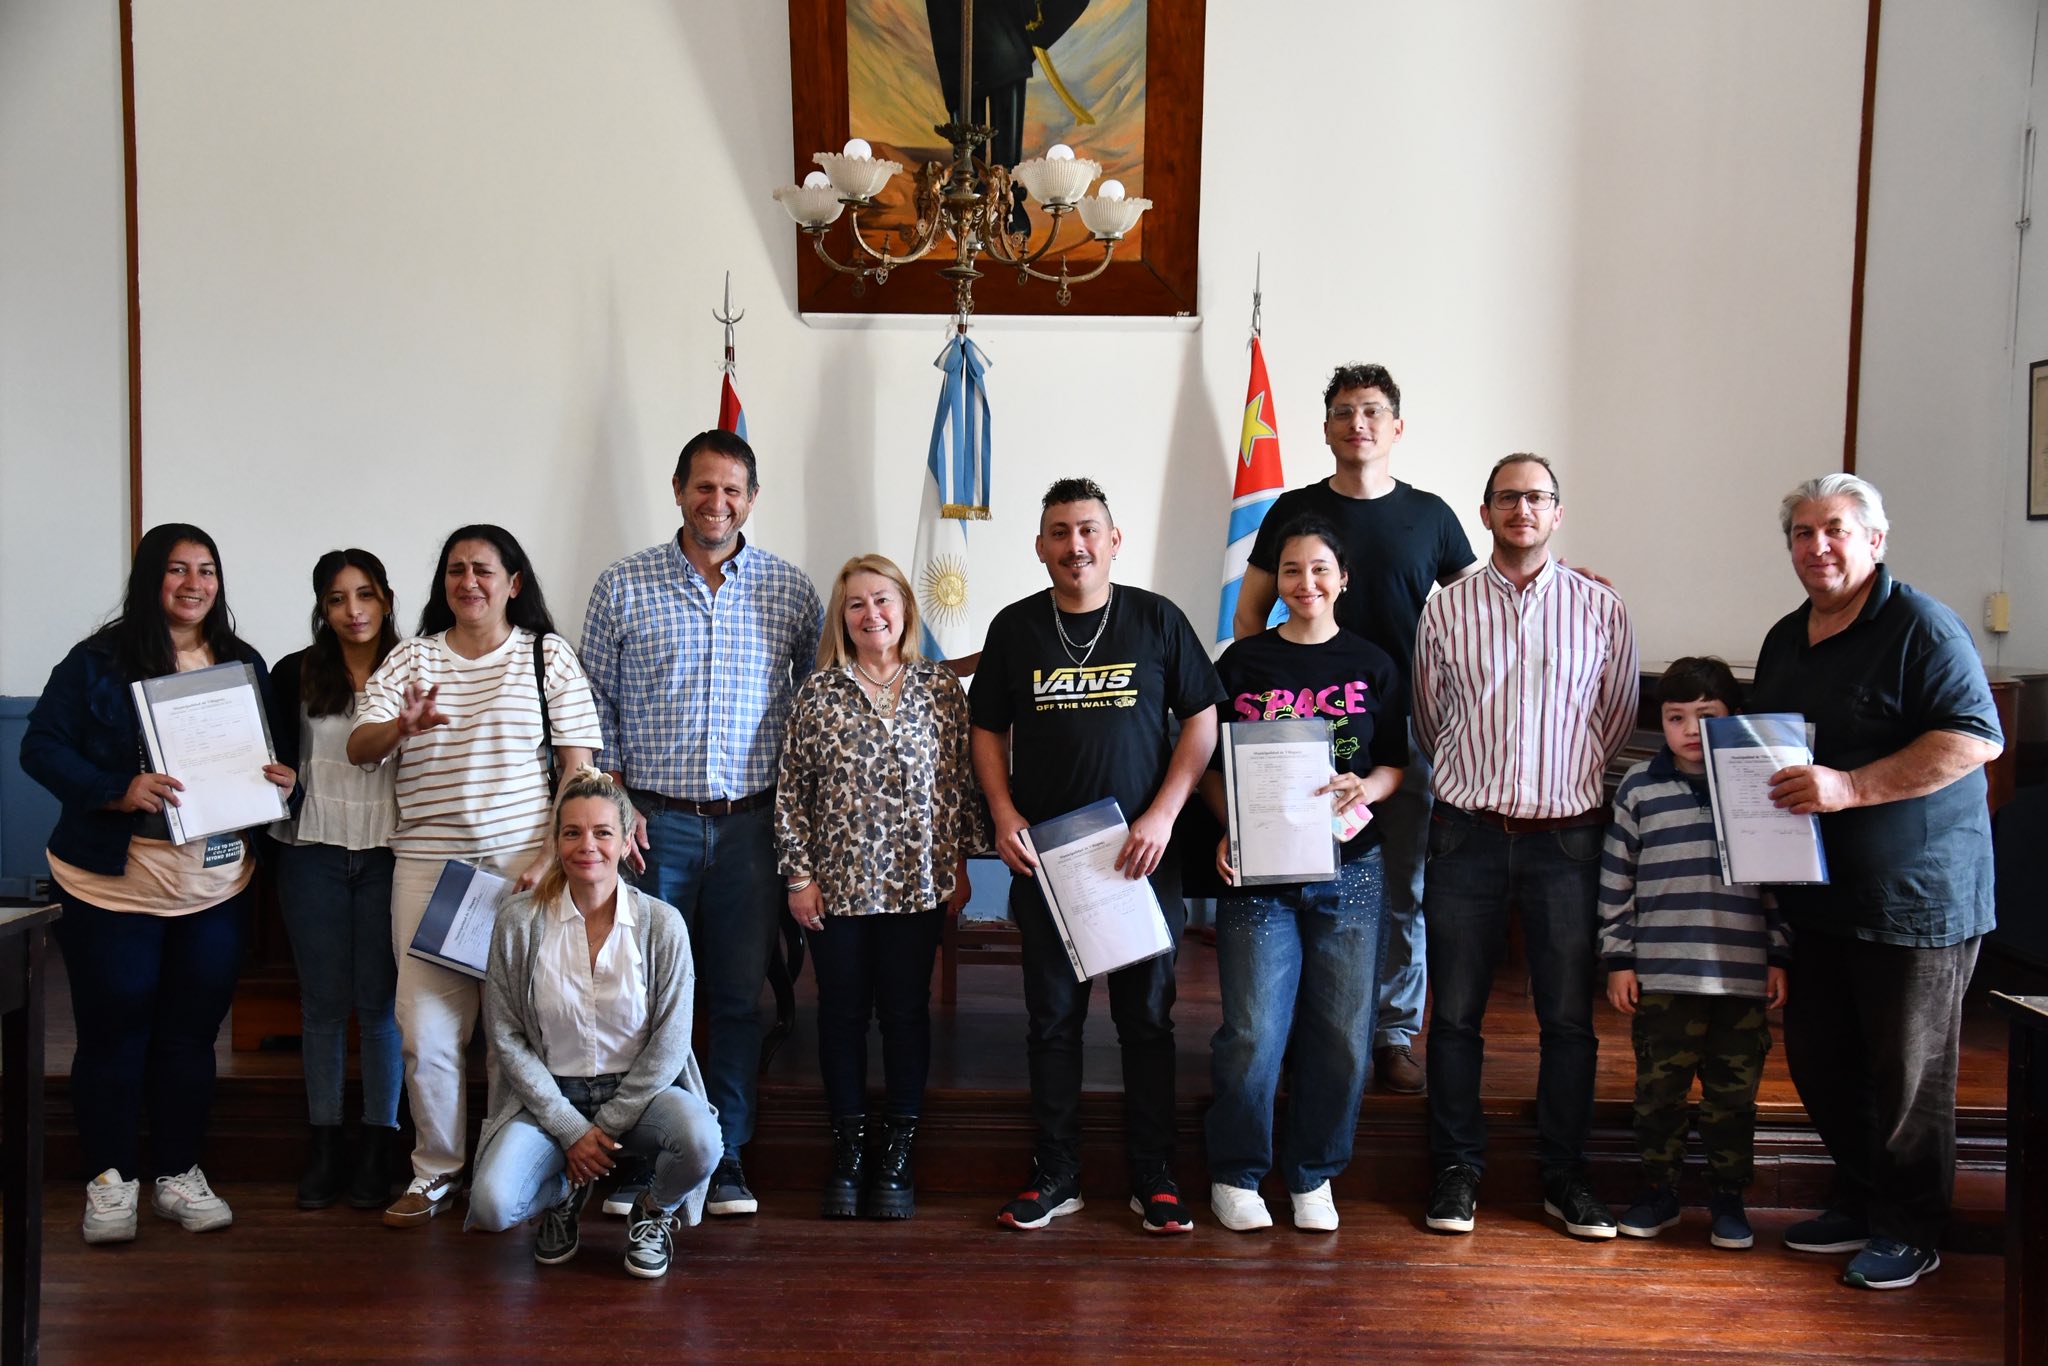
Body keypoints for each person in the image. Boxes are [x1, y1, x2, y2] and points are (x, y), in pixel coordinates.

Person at [1751, 474, 2002, 1291]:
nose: (1817, 546)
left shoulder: (1922, 627)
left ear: (1875, 540)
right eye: (1802, 533)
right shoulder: (1786, 638)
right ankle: (1860, 1201)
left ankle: (1911, 1228)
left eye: (1836, 530)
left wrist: (1852, 788)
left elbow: (1974, 738)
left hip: (1917, 898)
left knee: (1908, 1077)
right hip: (1819, 896)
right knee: (1824, 1063)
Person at [20, 523, 294, 1244]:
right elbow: (39, 746)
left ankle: (177, 1173)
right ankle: (110, 1182)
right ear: (150, 579)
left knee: (190, 1038)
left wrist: (280, 777)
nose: (193, 584)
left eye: (206, 570)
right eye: (177, 569)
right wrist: (116, 789)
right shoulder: (96, 661)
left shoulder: (241, 661)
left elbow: (269, 754)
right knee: (113, 1036)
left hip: (214, 888)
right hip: (111, 888)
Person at [579, 429, 822, 1219]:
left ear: (751, 499)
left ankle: (725, 1154)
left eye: (732, 490)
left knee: (737, 998)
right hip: (654, 828)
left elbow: (815, 707)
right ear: (679, 489)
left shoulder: (789, 590)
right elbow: (592, 703)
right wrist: (616, 804)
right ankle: (641, 1151)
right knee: (642, 998)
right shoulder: (624, 584)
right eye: (704, 487)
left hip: (752, 829)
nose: (717, 502)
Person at [971, 477, 1225, 1234]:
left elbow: (1202, 719)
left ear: (1114, 540)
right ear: (1040, 546)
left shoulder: (1156, 619)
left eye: (1088, 530)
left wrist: (1164, 814)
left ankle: (1155, 1175)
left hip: (1142, 856)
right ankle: (1056, 1173)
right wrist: (1003, 812)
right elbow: (986, 730)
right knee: (1052, 1020)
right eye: (1059, 532)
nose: (1074, 545)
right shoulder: (1016, 627)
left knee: (1147, 1019)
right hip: (1049, 861)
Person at [348, 524, 601, 1227]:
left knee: (516, 1031)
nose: (469, 582)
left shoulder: (546, 655)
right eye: (456, 570)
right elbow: (361, 747)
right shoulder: (411, 658)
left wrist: (550, 857)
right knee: (425, 1030)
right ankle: (434, 1171)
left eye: (483, 570)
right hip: (429, 869)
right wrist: (402, 727)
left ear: (513, 583)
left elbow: (578, 768)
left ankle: (505, 1166)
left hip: (522, 868)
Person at [1233, 363, 1476, 1096]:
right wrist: (1272, 707)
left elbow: (1480, 611)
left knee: (1400, 885)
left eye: (1371, 411)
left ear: (1396, 426)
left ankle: (1392, 1032)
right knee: (1297, 882)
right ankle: (1308, 1027)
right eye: (1343, 412)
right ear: (1326, 428)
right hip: (1299, 734)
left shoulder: (1431, 515)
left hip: (1399, 736)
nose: (1357, 423)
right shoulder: (1294, 510)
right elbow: (1250, 616)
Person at [1412, 453, 1638, 1241]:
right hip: (1465, 835)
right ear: (1485, 513)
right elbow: (1431, 721)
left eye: (1537, 497)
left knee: (1567, 1020)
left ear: (1557, 513)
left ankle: (1565, 1174)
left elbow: (1614, 719)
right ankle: (1455, 1169)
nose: (1523, 510)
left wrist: (1555, 782)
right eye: (1508, 498)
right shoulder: (1445, 611)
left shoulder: (1601, 608)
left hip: (1567, 841)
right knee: (1454, 1016)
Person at [1200, 518, 1409, 1234]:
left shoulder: (1374, 664)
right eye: (1291, 570)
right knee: (1253, 1029)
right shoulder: (1241, 663)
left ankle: (1314, 1172)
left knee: (1343, 1032)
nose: (1305, 582)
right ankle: (1236, 1172)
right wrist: (1232, 825)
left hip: (1351, 867)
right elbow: (1208, 764)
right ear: (1276, 582)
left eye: (1320, 569)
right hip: (1259, 871)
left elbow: (1395, 763)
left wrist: (1367, 787)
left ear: (1342, 579)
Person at [775, 554, 984, 1220]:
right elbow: (793, 792)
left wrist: (960, 866)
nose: (872, 614)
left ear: (905, 608)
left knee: (904, 1013)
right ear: (843, 618)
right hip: (837, 887)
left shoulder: (939, 689)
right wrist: (799, 876)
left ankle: (897, 1151)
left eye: (883, 599)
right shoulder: (818, 693)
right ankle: (849, 1149)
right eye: (857, 603)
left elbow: (959, 782)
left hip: (917, 885)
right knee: (840, 1014)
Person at [467, 767, 722, 1279]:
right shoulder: (518, 921)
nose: (588, 845)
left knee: (702, 1141)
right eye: (573, 832)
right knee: (492, 1205)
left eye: (603, 832)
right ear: (557, 842)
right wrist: (570, 1129)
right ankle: (565, 1190)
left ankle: (653, 1212)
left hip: (643, 1097)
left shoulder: (662, 924)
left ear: (627, 842)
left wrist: (600, 1130)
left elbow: (672, 1041)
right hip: (549, 1096)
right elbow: (507, 1036)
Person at [1599, 656, 1790, 1251]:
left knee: (1733, 1098)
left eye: (1706, 716)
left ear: (1734, 717)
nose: (1688, 729)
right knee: (1659, 1094)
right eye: (1675, 717)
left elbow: (1781, 882)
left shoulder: (1761, 785)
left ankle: (1728, 1198)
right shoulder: (1640, 787)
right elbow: (1616, 878)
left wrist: (1778, 956)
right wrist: (1619, 959)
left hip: (1740, 976)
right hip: (1663, 974)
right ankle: (1659, 1191)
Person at [265, 549, 404, 1211]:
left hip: (389, 853)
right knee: (321, 1006)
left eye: (365, 595)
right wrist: (279, 778)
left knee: (379, 1006)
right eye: (338, 599)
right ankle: (324, 1144)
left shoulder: (414, 663)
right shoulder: (294, 671)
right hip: (311, 849)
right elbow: (264, 756)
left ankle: (378, 1145)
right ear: (322, 608)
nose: (353, 611)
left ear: (386, 600)